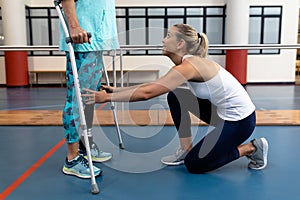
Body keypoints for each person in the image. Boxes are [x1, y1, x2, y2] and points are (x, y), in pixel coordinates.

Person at [83, 23, 269, 173]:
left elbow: (148, 93)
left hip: (240, 122)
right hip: (221, 114)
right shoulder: (186, 64)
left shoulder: (189, 66)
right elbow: (154, 86)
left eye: (169, 36)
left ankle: (251, 148)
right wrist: (116, 90)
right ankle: (186, 149)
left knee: (195, 165)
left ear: (180, 44)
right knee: (176, 95)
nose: (164, 40)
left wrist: (107, 98)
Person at [59, 0, 119, 178]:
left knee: (89, 97)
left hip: (96, 41)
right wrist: (74, 27)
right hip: (83, 41)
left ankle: (85, 146)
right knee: (76, 99)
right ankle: (72, 159)